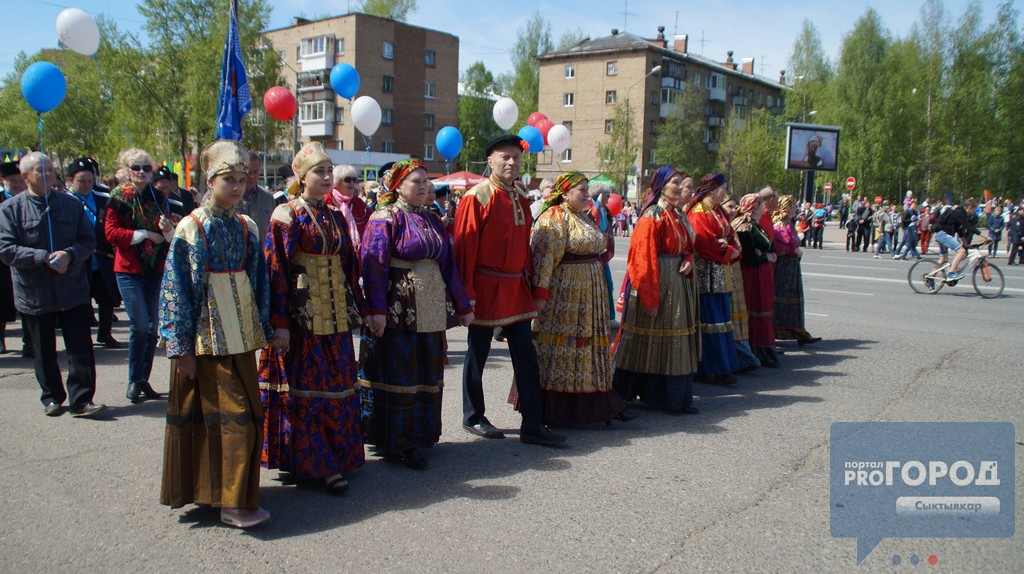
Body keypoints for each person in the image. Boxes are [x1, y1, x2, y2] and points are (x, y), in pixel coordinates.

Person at [158, 139, 273, 529]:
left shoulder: (247, 225)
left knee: (249, 413)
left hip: (240, 336)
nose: (238, 187)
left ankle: (224, 493)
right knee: (233, 417)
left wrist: (265, 327)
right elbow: (176, 289)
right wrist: (180, 347)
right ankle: (230, 502)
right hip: (207, 339)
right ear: (210, 181)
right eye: (229, 179)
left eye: (243, 179)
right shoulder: (191, 228)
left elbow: (260, 282)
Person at [259, 142, 366, 495]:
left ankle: (336, 455)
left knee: (337, 385)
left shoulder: (334, 215)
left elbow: (349, 267)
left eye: (328, 170)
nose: (325, 176)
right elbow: (276, 271)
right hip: (303, 320)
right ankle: (315, 464)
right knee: (306, 390)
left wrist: (361, 309)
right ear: (301, 177)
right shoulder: (286, 214)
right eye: (318, 171)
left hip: (334, 317)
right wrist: (280, 324)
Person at [359, 159, 474, 469]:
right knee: (402, 371)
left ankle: (422, 433)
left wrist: (463, 307)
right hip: (399, 308)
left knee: (427, 368)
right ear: (398, 186)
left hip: (431, 305)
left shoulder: (433, 218)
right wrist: (376, 311)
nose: (424, 186)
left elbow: (448, 266)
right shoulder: (385, 218)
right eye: (416, 181)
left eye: (426, 181)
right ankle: (399, 441)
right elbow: (373, 267)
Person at [453, 134, 566, 446]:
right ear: (490, 160)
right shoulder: (477, 197)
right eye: (505, 157)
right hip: (485, 287)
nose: (511, 162)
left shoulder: (519, 198)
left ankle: (532, 423)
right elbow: (465, 249)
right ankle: (473, 416)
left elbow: (525, 249)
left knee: (526, 356)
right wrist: (467, 296)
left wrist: (529, 285)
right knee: (478, 354)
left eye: (516, 157)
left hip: (515, 288)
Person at [0, 152, 104, 417]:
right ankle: (52, 397)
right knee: (43, 349)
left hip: (72, 289)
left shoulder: (70, 205)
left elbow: (88, 240)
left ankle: (82, 400)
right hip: (35, 292)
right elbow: (6, 249)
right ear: (25, 177)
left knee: (80, 347)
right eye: (40, 170)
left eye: (50, 170)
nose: (48, 175)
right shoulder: (10, 210)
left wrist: (69, 254)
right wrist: (42, 258)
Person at [528, 171, 632, 425]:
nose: (587, 195)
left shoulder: (583, 216)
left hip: (590, 294)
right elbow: (543, 259)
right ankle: (558, 409)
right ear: (564, 193)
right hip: (566, 293)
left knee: (588, 349)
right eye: (581, 190)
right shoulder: (553, 217)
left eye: (587, 190)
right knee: (565, 347)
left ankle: (594, 403)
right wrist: (540, 294)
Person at [612, 166, 699, 414]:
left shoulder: (677, 215)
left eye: (682, 183)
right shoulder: (653, 216)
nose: (681, 187)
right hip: (658, 285)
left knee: (673, 340)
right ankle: (627, 394)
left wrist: (688, 261)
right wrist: (650, 298)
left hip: (677, 285)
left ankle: (669, 397)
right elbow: (642, 259)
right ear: (661, 186)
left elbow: (688, 247)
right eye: (675, 183)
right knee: (643, 341)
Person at [106, 148, 183, 403]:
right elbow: (111, 233)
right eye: (136, 168)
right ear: (127, 170)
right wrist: (144, 235)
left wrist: (167, 229)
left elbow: (169, 234)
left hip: (154, 268)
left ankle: (142, 379)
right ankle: (133, 379)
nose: (141, 173)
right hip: (129, 269)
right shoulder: (119, 196)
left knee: (152, 328)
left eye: (146, 168)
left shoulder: (157, 196)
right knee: (140, 325)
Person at [688, 173, 740, 384]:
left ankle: (723, 366)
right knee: (711, 320)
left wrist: (730, 248)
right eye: (723, 188)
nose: (725, 192)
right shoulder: (699, 213)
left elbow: (729, 237)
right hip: (707, 275)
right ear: (711, 190)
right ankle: (711, 368)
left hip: (720, 272)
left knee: (722, 319)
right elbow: (706, 244)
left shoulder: (717, 211)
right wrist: (728, 251)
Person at [66, 158, 122, 348]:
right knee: (82, 299)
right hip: (79, 258)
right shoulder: (66, 201)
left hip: (103, 256)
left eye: (90, 180)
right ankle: (83, 337)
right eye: (81, 181)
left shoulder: (103, 199)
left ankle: (105, 333)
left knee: (107, 297)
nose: (86, 185)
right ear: (71, 180)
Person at [734, 193, 779, 367]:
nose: (763, 209)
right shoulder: (744, 226)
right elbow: (750, 257)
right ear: (754, 208)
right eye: (760, 206)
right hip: (754, 276)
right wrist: (766, 257)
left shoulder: (753, 225)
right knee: (757, 309)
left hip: (760, 275)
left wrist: (766, 254)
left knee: (762, 309)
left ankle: (764, 347)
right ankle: (759, 348)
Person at [772, 195, 821, 346]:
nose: (795, 209)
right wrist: (793, 249)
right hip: (783, 268)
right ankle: (778, 333)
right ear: (787, 208)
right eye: (793, 206)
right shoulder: (779, 223)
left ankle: (799, 332)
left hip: (791, 267)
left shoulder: (788, 223)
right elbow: (779, 245)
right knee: (782, 301)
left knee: (794, 301)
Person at [721, 196, 760, 372]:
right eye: (729, 206)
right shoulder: (732, 226)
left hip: (733, 274)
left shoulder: (730, 226)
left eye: (734, 206)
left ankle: (741, 356)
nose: (732, 209)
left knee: (734, 313)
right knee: (728, 313)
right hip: (725, 273)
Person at [0, 161, 27, 353]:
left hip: (26, 256)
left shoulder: (31, 199)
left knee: (28, 303)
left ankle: (30, 342)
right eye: (12, 181)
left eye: (20, 181)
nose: (17, 185)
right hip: (3, 259)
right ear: (4, 181)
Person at [934, 197, 987, 281]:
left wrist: (965, 243)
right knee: (962, 251)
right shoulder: (959, 213)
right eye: (974, 209)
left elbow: (960, 230)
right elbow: (969, 227)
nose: (974, 212)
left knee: (943, 258)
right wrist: (985, 236)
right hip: (943, 235)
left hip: (941, 235)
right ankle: (951, 273)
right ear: (970, 207)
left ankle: (930, 277)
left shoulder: (960, 214)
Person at [327, 164, 371, 252]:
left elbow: (371, 226)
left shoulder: (359, 204)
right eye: (347, 180)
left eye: (354, 180)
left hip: (356, 255)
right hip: (333, 254)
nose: (352, 183)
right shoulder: (326, 201)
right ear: (337, 181)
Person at [234, 153, 278, 240]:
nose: (251, 176)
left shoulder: (268, 198)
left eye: (255, 172)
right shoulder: (229, 195)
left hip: (260, 252)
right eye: (248, 171)